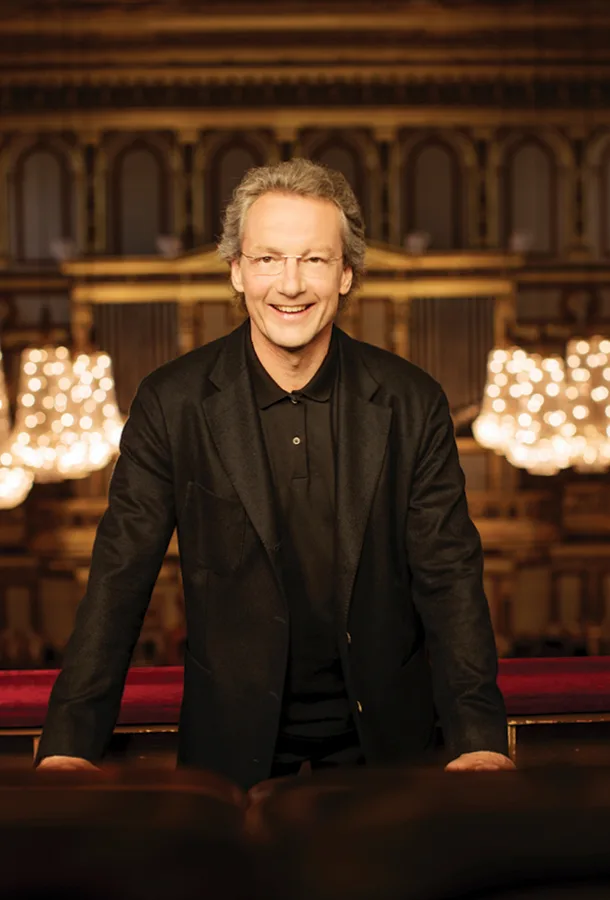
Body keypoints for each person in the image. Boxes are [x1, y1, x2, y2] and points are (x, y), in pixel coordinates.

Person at [37, 158, 513, 786]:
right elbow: (119, 577)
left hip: (387, 746)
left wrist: (478, 739)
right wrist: (70, 743)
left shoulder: (412, 400)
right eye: (268, 260)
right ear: (236, 271)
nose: (290, 284)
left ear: (346, 275)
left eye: (314, 260)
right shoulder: (170, 402)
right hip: (230, 748)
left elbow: (450, 579)